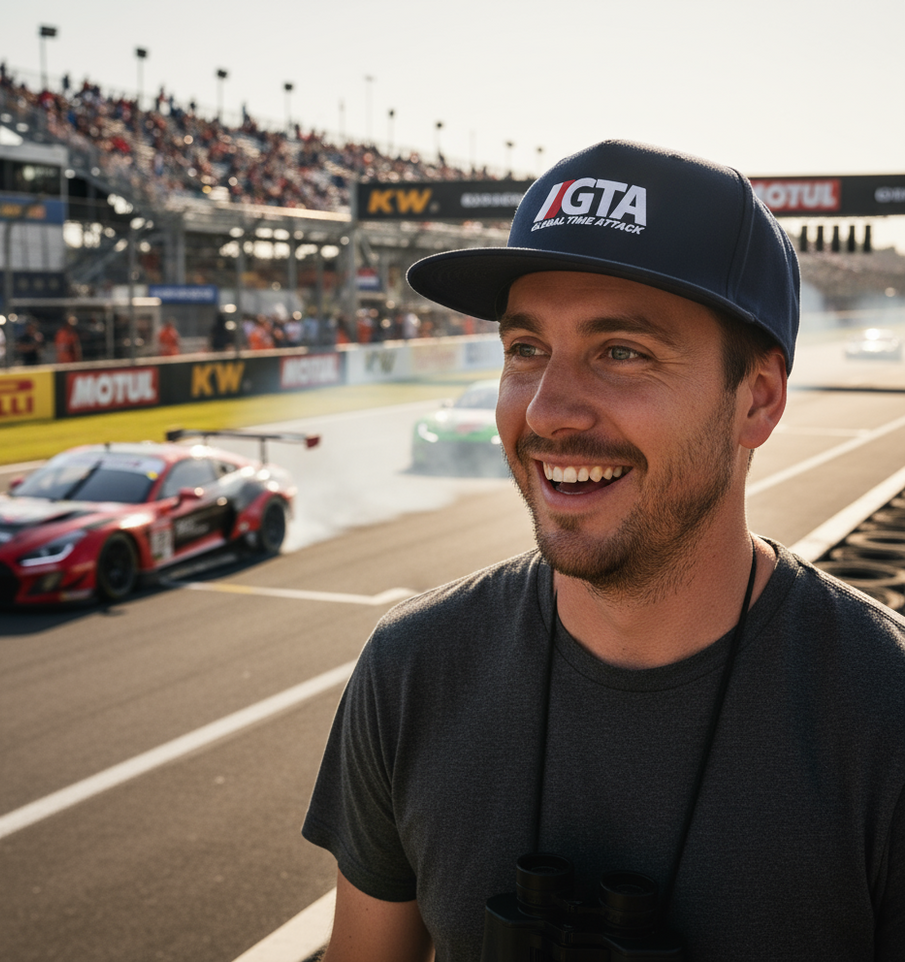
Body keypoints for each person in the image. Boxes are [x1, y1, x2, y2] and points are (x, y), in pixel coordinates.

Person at [302, 140, 905, 962]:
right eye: (525, 350)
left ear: (757, 400)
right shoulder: (412, 668)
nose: (548, 412)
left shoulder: (883, 714)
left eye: (621, 352)